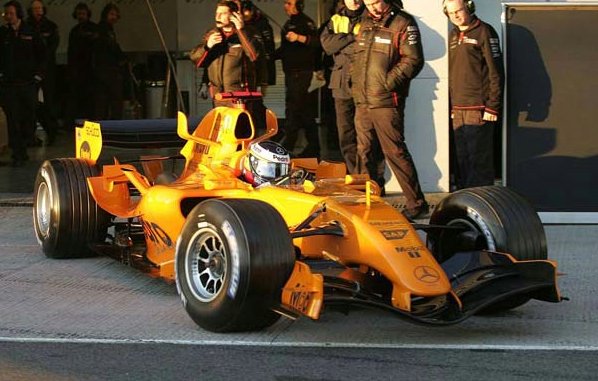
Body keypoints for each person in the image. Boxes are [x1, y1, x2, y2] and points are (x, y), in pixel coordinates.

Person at [352, 0, 428, 219]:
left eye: (376, 2)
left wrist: (388, 83)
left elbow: (414, 59)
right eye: (368, 3)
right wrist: (354, 85)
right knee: (364, 151)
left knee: (394, 151)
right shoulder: (365, 21)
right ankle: (371, 200)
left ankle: (417, 203)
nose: (373, 8)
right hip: (363, 100)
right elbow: (358, 58)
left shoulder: (403, 22)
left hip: (386, 100)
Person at [444, 0, 504, 189]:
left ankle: (481, 203)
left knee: (479, 160)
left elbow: (496, 72)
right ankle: (465, 201)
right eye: (451, 13)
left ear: (469, 8)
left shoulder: (485, 31)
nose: (455, 16)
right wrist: (452, 106)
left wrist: (493, 105)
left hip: (479, 108)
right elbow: (454, 73)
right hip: (458, 109)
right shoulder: (453, 34)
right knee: (462, 159)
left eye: (459, 11)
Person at [190, 0, 266, 132]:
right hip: (218, 95)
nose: (217, 17)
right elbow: (196, 59)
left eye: (222, 13)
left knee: (240, 131)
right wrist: (207, 46)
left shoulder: (249, 32)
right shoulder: (212, 33)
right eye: (216, 13)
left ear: (234, 15)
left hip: (239, 95)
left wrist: (241, 31)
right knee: (221, 131)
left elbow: (255, 55)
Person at [321, 0, 376, 174]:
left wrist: (342, 43)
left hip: (365, 83)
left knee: (366, 134)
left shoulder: (371, 16)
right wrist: (353, 36)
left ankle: (369, 177)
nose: (353, 1)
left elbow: (368, 46)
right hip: (341, 84)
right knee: (346, 134)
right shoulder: (335, 19)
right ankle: (355, 175)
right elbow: (328, 45)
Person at [0, 0, 45, 166]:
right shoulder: (3, 33)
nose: (8, 16)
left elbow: (42, 54)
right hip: (9, 85)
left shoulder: (30, 31)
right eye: (6, 14)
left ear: (18, 13)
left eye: (11, 13)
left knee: (29, 117)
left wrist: (38, 76)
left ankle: (27, 143)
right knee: (13, 119)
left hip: (28, 83)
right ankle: (18, 153)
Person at [275, 0, 321, 157]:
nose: (285, 6)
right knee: (304, 110)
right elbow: (284, 50)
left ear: (298, 5)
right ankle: (314, 146)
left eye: (289, 3)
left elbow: (317, 44)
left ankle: (287, 146)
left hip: (301, 73)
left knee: (294, 109)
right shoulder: (288, 24)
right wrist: (268, 57)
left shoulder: (307, 23)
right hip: (291, 72)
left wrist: (299, 38)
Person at [26, 0, 58, 144]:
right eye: (35, 8)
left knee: (49, 102)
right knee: (31, 104)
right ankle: (30, 135)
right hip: (31, 70)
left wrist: (43, 68)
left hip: (48, 69)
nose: (38, 11)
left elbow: (51, 49)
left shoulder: (51, 26)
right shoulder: (27, 26)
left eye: (40, 8)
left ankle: (52, 133)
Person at [92, 3, 126, 120]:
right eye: (112, 14)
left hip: (106, 70)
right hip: (105, 70)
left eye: (116, 15)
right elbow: (108, 48)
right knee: (110, 100)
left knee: (104, 101)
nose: (114, 17)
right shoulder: (102, 30)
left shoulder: (108, 30)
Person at [66, 2, 97, 124]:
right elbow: (71, 52)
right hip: (78, 71)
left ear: (87, 14)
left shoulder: (94, 29)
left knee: (91, 99)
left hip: (92, 70)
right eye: (79, 14)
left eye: (83, 14)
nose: (81, 16)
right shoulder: (74, 31)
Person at [241, 0, 276, 89]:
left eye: (246, 11)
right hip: (244, 68)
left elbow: (269, 49)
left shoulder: (263, 25)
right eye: (242, 11)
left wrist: (266, 79)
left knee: (256, 99)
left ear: (252, 11)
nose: (244, 15)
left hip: (260, 68)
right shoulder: (240, 25)